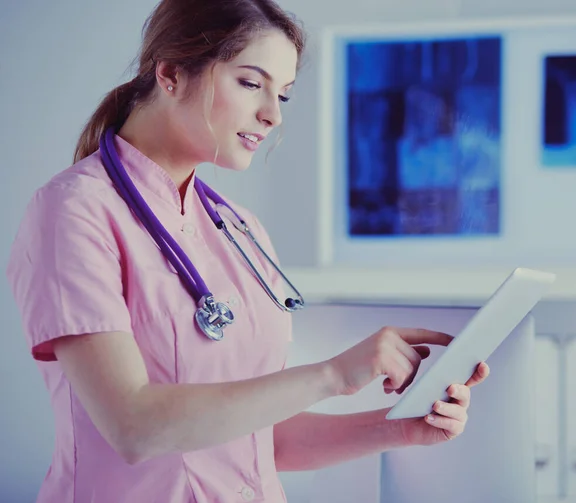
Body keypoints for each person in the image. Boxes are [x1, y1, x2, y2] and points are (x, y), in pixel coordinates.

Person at [5, 0, 490, 502]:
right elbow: (135, 426)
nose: (272, 115)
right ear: (170, 74)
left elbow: (263, 437)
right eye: (251, 83)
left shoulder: (240, 229)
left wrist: (404, 428)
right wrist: (333, 374)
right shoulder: (72, 211)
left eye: (282, 94)